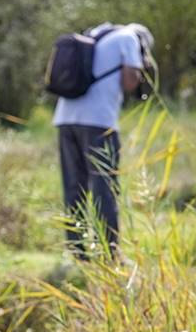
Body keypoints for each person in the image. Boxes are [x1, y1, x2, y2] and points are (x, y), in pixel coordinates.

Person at [52, 22, 155, 260]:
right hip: (98, 121)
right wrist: (142, 72)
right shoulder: (130, 38)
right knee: (104, 187)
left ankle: (77, 252)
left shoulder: (97, 33)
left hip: (65, 118)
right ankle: (110, 253)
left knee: (73, 186)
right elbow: (130, 81)